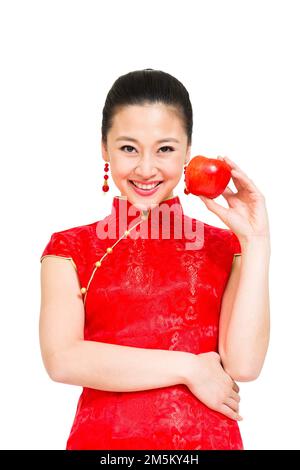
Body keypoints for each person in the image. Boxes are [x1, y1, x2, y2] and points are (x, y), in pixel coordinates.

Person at [39, 68, 271, 450]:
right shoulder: (70, 248)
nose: (146, 169)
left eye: (165, 149)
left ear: (188, 151)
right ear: (104, 148)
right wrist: (189, 368)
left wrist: (257, 240)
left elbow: (243, 366)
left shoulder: (224, 246)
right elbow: (63, 359)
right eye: (128, 148)